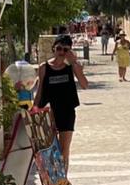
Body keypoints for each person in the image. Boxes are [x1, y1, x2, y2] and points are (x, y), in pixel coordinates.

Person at [34, 34, 89, 174]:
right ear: (54, 48)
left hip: (67, 111)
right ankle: (53, 178)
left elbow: (84, 85)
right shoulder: (44, 67)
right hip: (50, 111)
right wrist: (34, 110)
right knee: (50, 148)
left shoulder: (71, 67)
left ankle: (63, 180)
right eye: (59, 48)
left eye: (65, 50)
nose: (61, 53)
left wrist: (74, 63)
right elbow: (40, 91)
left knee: (64, 148)